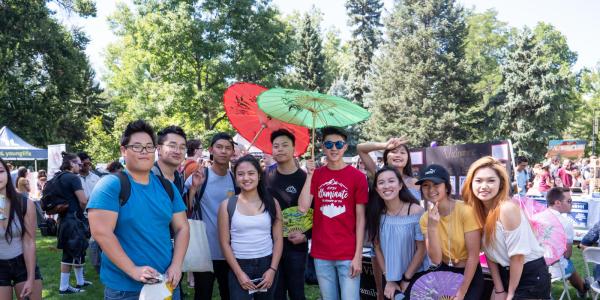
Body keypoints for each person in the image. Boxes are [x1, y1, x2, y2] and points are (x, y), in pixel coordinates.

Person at [87, 120, 190, 299]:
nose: (144, 152)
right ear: (123, 150)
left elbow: (182, 228)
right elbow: (101, 232)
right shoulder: (111, 185)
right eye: (137, 147)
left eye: (149, 147)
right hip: (125, 289)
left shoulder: (167, 187)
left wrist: (176, 265)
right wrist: (133, 270)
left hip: (166, 283)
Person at [463, 156, 550, 300]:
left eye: (491, 180)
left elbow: (518, 257)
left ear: (501, 184)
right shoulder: (477, 212)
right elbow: (490, 254)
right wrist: (499, 289)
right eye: (478, 180)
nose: (484, 186)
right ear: (471, 183)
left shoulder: (506, 209)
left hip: (529, 276)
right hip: (504, 273)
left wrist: (510, 294)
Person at [299, 126, 368, 300]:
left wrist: (358, 255)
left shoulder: (358, 177)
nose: (334, 148)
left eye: (339, 144)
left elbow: (361, 219)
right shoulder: (316, 175)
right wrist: (309, 175)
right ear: (323, 147)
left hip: (348, 253)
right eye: (329, 144)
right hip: (321, 253)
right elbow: (302, 207)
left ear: (345, 146)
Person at [218, 155, 283, 299]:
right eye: (240, 174)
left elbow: (278, 239)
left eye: (251, 173)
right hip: (239, 264)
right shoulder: (227, 205)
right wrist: (239, 273)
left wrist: (272, 269)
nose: (246, 178)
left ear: (259, 176)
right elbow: (224, 243)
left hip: (267, 263)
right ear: (235, 178)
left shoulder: (272, 203)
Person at [417, 164, 483, 300]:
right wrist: (432, 227)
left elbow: (473, 256)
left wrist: (461, 293)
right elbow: (436, 259)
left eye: (436, 184)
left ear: (446, 187)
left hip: (469, 273)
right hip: (445, 273)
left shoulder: (466, 210)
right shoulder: (425, 219)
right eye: (425, 185)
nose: (431, 190)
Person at [185, 132, 237, 300]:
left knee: (229, 293)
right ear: (211, 150)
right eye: (219, 147)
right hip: (205, 249)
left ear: (232, 152)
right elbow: (186, 209)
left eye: (228, 148)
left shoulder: (235, 178)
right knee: (203, 293)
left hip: (230, 250)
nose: (223, 151)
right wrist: (193, 188)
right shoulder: (200, 176)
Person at [366, 166, 426, 299]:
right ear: (376, 189)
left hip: (414, 276)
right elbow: (377, 248)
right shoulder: (376, 214)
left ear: (400, 185)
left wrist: (406, 279)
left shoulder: (416, 211)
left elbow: (421, 249)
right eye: (381, 183)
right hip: (390, 279)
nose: (386, 186)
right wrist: (389, 279)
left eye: (391, 181)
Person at [264, 129, 309, 300]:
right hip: (270, 244)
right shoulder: (265, 176)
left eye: (284, 145)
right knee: (275, 293)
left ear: (293, 149)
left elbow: (315, 211)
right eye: (276, 146)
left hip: (295, 245)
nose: (280, 149)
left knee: (297, 292)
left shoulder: (305, 178)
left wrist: (305, 236)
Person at [0, 158, 43, 300]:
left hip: (23, 263)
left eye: (0, 171)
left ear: (7, 173)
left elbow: (29, 241)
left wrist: (31, 278)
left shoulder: (24, 203)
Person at [54, 152, 91, 294]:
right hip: (74, 219)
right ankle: (64, 287)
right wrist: (84, 210)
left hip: (63, 219)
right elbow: (82, 200)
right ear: (71, 164)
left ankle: (80, 281)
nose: (80, 166)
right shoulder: (73, 178)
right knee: (69, 253)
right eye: (78, 163)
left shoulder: (58, 176)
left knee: (78, 249)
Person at [546, 187, 588, 297]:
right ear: (557, 203)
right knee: (566, 262)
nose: (572, 204)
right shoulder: (565, 222)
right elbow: (568, 254)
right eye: (569, 201)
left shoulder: (536, 217)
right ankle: (583, 288)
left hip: (535, 266)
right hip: (554, 268)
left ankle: (582, 287)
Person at [153, 126, 187, 195]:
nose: (178, 151)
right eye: (172, 146)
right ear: (159, 149)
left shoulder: (179, 177)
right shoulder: (149, 176)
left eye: (182, 147)